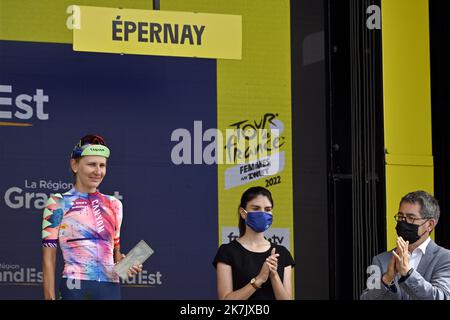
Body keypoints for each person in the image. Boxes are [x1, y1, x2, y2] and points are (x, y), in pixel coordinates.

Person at [41, 134, 142, 300]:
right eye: (92, 164)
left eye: (102, 165)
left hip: (110, 288)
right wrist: (49, 298)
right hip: (75, 287)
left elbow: (115, 254)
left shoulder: (114, 204)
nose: (98, 171)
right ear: (75, 165)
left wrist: (126, 264)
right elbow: (48, 259)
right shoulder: (58, 203)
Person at [361, 190, 450, 300]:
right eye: (400, 217)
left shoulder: (445, 258)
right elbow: (366, 298)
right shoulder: (380, 260)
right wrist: (386, 279)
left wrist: (408, 274)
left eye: (411, 218)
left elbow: (442, 296)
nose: (403, 222)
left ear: (430, 225)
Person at [213, 186, 295, 300]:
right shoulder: (227, 251)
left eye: (267, 209)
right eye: (256, 208)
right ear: (243, 213)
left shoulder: (282, 253)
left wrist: (274, 276)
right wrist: (259, 279)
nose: (262, 213)